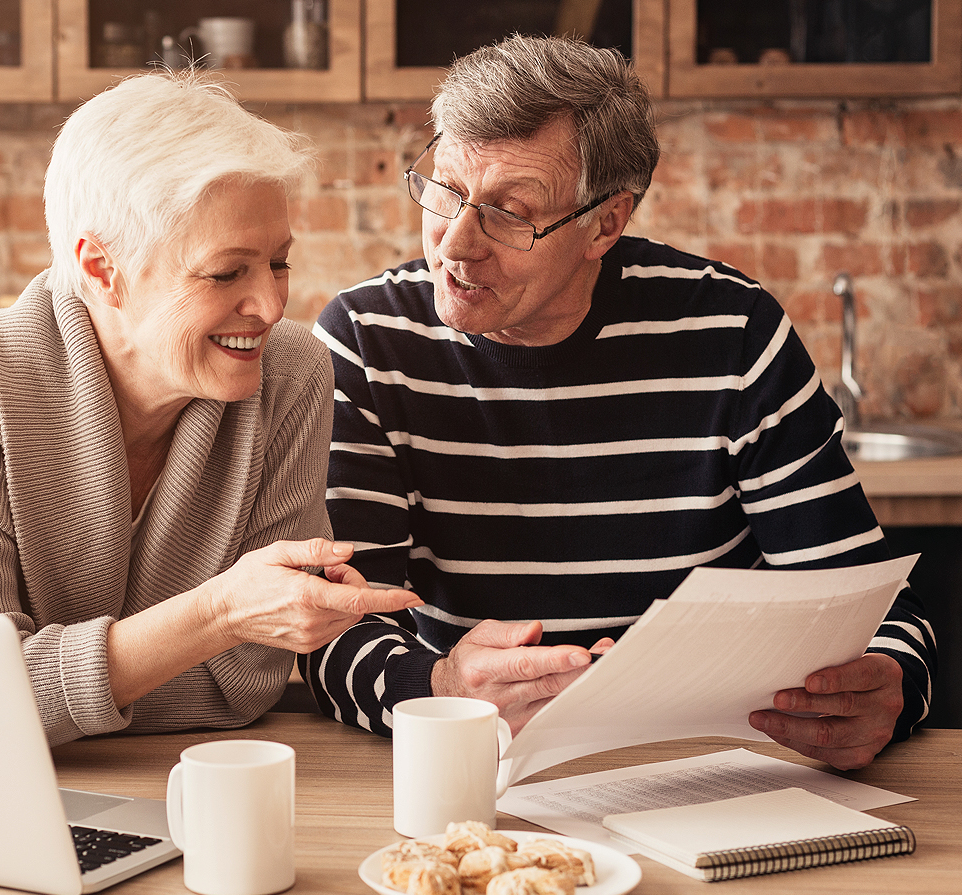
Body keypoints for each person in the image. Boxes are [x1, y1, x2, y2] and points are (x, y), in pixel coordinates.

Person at [303, 34, 936, 772]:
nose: (457, 244)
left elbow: (870, 605)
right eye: (445, 190)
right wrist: (440, 686)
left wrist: (890, 682)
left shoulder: (732, 332)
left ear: (606, 223)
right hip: (476, 766)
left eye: (510, 211)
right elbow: (333, 630)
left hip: (710, 764)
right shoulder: (367, 339)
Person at [0, 73, 420, 747]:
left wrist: (34, 683)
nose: (270, 306)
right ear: (101, 270)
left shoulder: (291, 373)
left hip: (42, 765)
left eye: (278, 263)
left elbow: (242, 685)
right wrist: (214, 616)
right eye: (225, 272)